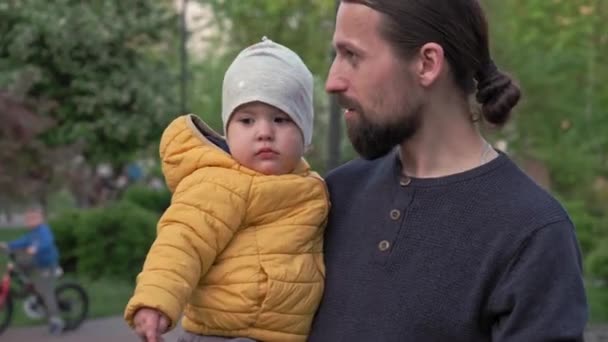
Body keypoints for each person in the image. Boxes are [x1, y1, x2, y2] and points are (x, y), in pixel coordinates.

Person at [308, 1, 588, 341]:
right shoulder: (332, 196)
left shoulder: (532, 233)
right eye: (335, 56)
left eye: (352, 55)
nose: (333, 81)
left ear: (427, 63)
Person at [124, 37, 329, 342]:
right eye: (247, 120)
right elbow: (183, 241)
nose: (264, 133)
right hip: (225, 333)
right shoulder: (220, 182)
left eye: (281, 119)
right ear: (228, 131)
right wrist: (156, 301)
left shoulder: (312, 188)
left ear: (306, 135)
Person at [0, 206, 64, 335]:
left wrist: (36, 248)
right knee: (17, 265)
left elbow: (46, 242)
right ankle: (28, 287)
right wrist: (7, 245)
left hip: (47, 265)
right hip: (35, 263)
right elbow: (21, 242)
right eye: (28, 218)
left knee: (46, 291)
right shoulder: (31, 233)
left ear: (41, 219)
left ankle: (56, 321)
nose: (30, 220)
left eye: (33, 218)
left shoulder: (44, 230)